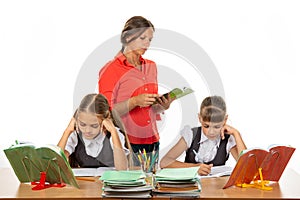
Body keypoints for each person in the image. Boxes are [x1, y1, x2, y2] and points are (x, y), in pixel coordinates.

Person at [98, 16, 173, 155]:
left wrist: (163, 105)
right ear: (127, 38)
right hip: (126, 143)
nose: (147, 43)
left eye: (150, 39)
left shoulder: (151, 66)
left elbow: (150, 109)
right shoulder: (110, 70)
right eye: (142, 38)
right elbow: (106, 114)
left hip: (152, 141)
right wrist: (135, 101)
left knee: (152, 177)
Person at [160, 96, 246, 175]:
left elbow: (247, 167)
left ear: (225, 120)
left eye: (217, 127)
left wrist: (236, 134)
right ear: (200, 118)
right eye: (206, 126)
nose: (211, 132)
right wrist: (194, 168)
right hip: (192, 188)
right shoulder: (191, 135)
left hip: (217, 189)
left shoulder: (228, 139)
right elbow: (164, 162)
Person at [57, 93, 128, 170]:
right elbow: (56, 162)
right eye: (83, 124)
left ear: (105, 120)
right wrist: (67, 131)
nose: (87, 130)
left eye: (94, 126)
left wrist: (113, 131)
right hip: (85, 181)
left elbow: (122, 169)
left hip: (110, 181)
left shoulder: (114, 134)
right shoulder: (75, 134)